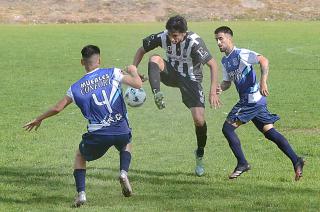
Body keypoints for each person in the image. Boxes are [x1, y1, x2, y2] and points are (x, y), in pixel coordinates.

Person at [23, 45, 142, 207]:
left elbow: (57, 108)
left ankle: (81, 194)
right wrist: (133, 70)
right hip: (120, 128)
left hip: (98, 134)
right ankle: (123, 172)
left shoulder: (75, 88)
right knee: (126, 142)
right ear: (99, 60)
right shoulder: (113, 72)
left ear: (82, 62)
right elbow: (137, 83)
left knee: (80, 155)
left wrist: (39, 119)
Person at [132, 15, 221, 177]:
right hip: (171, 74)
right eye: (170, 35)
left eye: (175, 36)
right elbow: (141, 49)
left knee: (199, 120)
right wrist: (134, 70)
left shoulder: (195, 42)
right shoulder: (163, 36)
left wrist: (212, 90)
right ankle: (156, 93)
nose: (172, 39)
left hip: (191, 80)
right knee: (155, 58)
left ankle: (199, 153)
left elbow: (213, 65)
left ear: (184, 33)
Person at [214, 26, 304, 180]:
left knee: (227, 129)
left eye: (220, 38)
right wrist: (220, 88)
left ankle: (242, 163)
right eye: (216, 39)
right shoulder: (225, 61)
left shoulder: (241, 53)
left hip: (251, 99)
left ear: (229, 38)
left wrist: (263, 82)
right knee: (269, 132)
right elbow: (227, 82)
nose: (218, 42)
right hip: (255, 101)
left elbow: (263, 60)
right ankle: (297, 160)